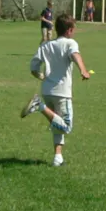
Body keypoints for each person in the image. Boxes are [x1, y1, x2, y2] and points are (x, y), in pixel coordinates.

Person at [21, 14, 90, 167]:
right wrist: (83, 70)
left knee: (56, 124)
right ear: (70, 30)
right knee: (66, 126)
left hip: (47, 90)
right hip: (62, 92)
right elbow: (75, 55)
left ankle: (58, 158)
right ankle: (39, 106)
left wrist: (41, 76)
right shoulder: (70, 43)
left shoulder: (45, 45)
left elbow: (33, 67)